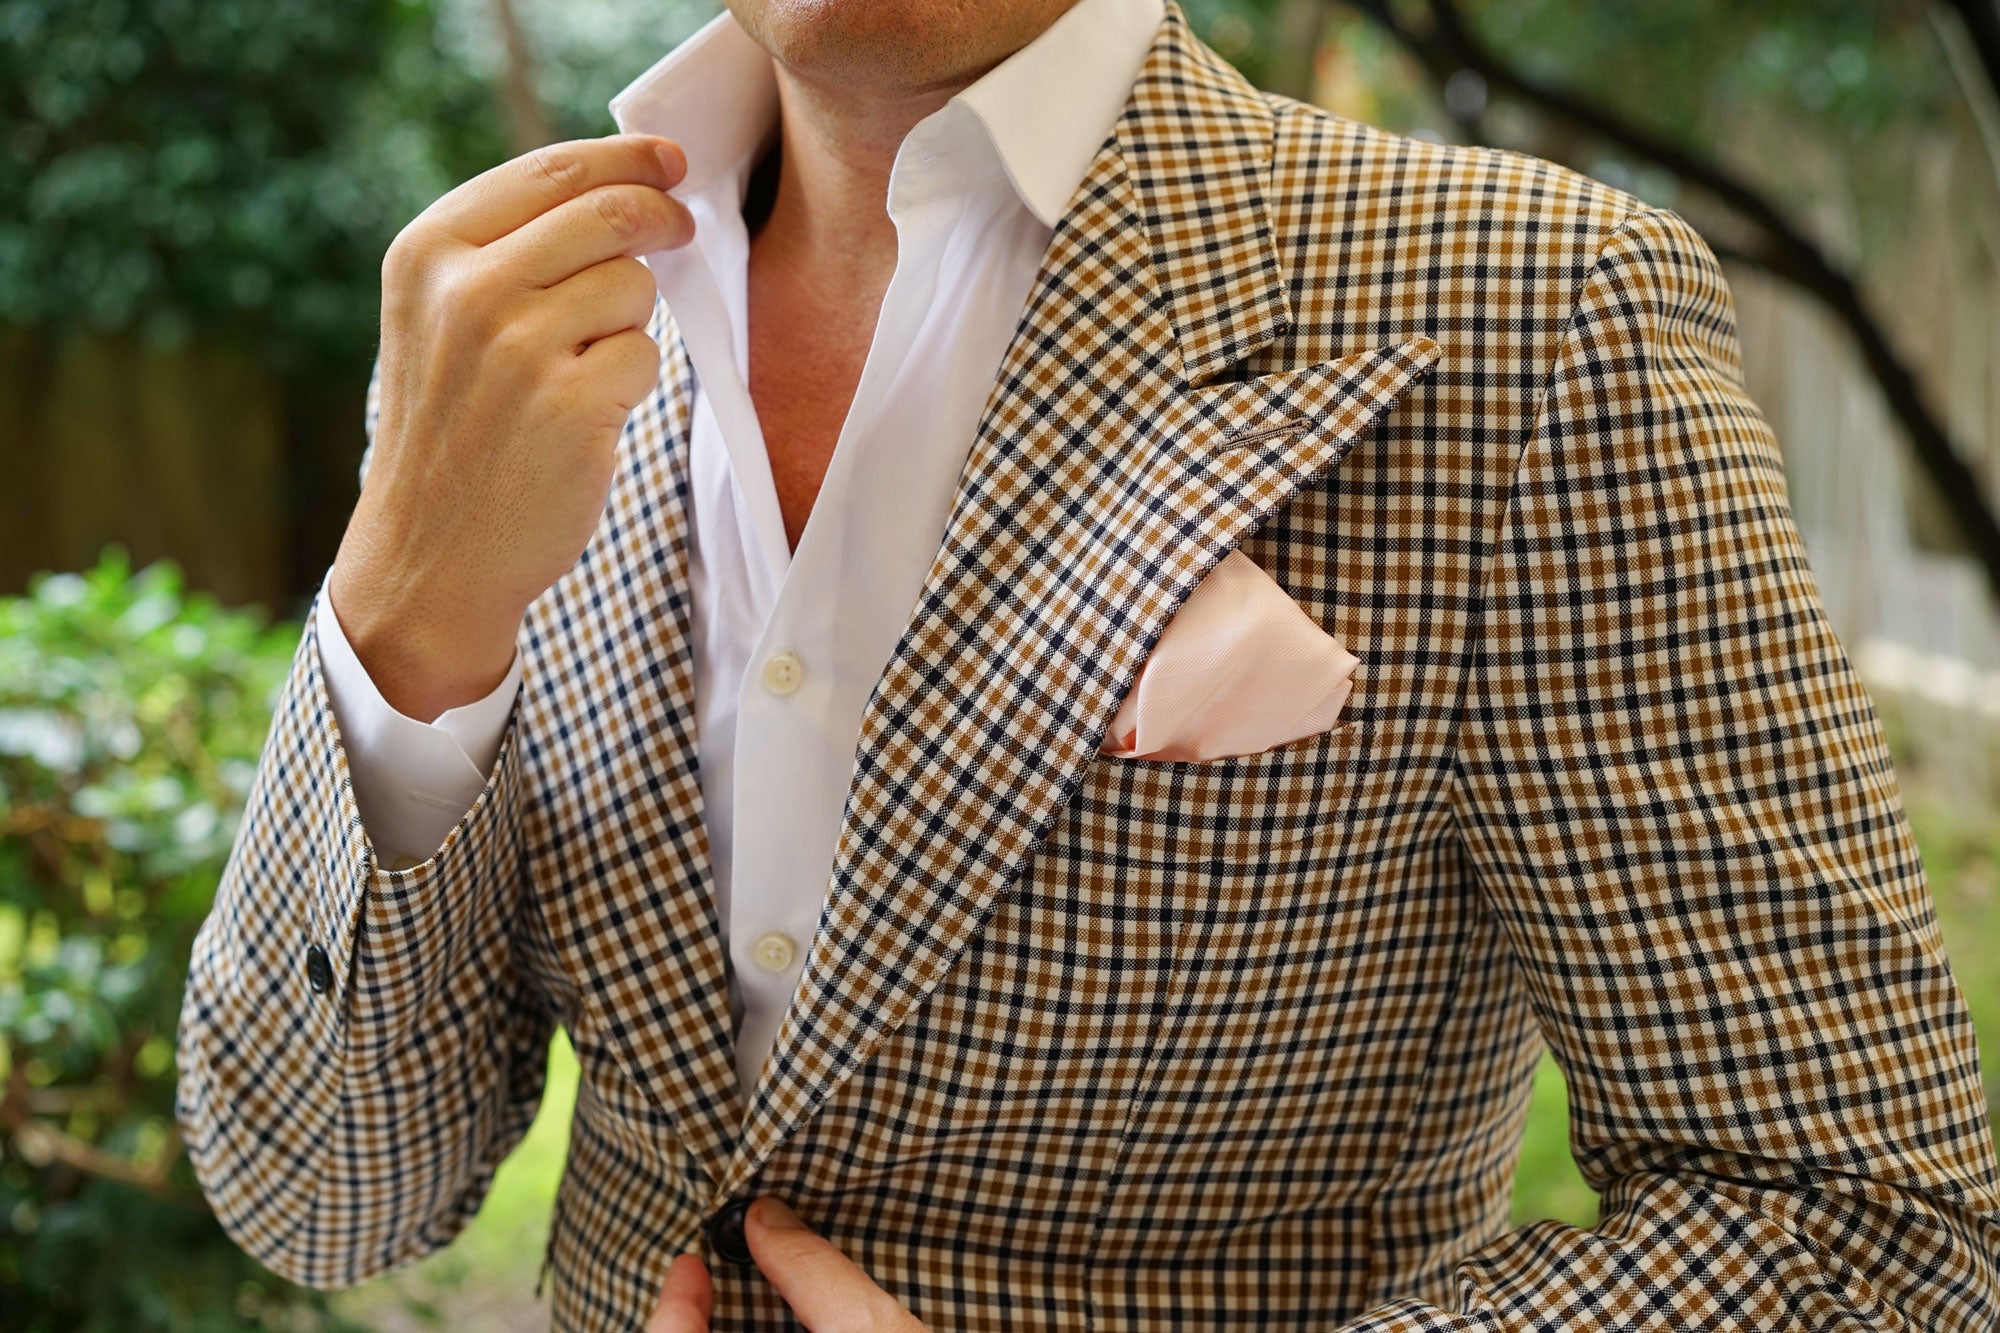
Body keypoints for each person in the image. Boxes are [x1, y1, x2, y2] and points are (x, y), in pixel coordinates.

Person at [177, 0, 2000, 1327]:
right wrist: (404, 617)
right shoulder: (513, 333)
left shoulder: (1531, 319)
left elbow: (1865, 1233)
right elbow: (325, 1196)